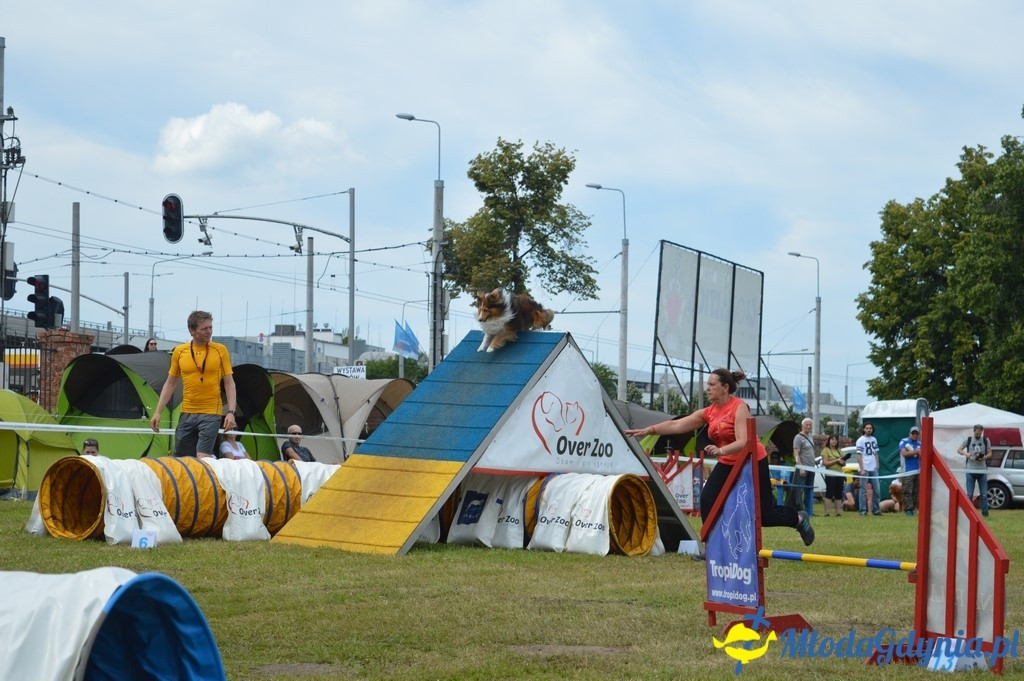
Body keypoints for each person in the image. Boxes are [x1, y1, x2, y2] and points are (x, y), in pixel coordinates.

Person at [625, 368, 814, 546]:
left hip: (752, 461)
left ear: (725, 388)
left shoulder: (739, 408)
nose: (708, 388)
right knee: (708, 499)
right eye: (707, 384)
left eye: (712, 384)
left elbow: (743, 441)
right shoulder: (709, 412)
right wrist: (648, 430)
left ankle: (798, 519)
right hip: (728, 462)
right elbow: (677, 425)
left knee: (764, 515)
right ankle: (712, 548)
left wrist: (721, 450)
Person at [150, 310, 237, 458]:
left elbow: (229, 383)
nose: (209, 332)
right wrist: (158, 411)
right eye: (204, 329)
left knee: (202, 457)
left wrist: (231, 412)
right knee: (182, 459)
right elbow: (170, 384)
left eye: (210, 327)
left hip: (211, 413)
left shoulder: (220, 350)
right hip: (187, 412)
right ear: (192, 330)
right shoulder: (180, 351)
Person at [957, 424, 992, 516]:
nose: (978, 435)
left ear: (982, 432)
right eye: (976, 433)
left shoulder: (985, 440)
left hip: (982, 470)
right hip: (970, 470)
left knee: (984, 494)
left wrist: (984, 457)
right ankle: (969, 514)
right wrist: (966, 454)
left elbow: (990, 453)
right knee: (969, 494)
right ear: (973, 431)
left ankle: (985, 513)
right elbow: (959, 450)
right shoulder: (968, 440)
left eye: (979, 434)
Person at [792, 418, 817, 516]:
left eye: (810, 425)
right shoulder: (798, 437)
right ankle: (799, 510)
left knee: (809, 489)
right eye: (807, 425)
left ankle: (809, 510)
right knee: (800, 489)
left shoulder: (810, 436)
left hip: (811, 467)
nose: (808, 427)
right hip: (803, 467)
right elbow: (796, 453)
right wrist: (800, 467)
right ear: (802, 426)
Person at [856, 422, 881, 516]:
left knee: (877, 490)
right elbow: (859, 455)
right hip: (865, 468)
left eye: (870, 428)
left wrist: (877, 464)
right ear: (863, 429)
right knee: (863, 490)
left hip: (873, 468)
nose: (869, 430)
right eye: (867, 428)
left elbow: (876, 453)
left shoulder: (874, 439)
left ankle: (876, 509)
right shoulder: (860, 440)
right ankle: (862, 510)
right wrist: (862, 469)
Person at [898, 426, 922, 516]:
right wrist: (916, 451)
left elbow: (922, 454)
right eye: (913, 433)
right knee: (907, 490)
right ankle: (908, 510)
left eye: (916, 433)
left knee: (915, 491)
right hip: (907, 470)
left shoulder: (920, 444)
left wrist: (916, 452)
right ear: (910, 433)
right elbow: (904, 453)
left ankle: (913, 508)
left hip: (917, 470)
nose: (915, 435)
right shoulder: (904, 442)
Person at [820, 434, 845, 516]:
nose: (834, 441)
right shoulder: (826, 450)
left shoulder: (839, 450)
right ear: (829, 440)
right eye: (832, 439)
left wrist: (842, 462)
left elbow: (843, 463)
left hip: (840, 474)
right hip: (830, 475)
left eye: (835, 439)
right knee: (829, 493)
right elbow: (825, 463)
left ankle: (838, 512)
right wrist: (836, 460)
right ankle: (827, 512)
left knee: (839, 494)